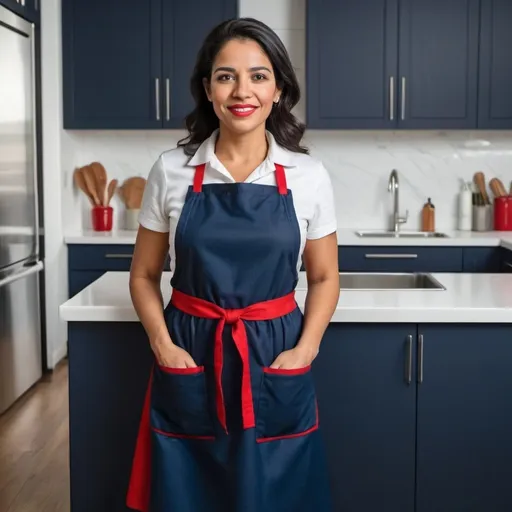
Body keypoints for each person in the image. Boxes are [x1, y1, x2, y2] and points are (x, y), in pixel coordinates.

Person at [126, 17, 340, 512]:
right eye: (226, 76)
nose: (242, 90)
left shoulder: (307, 175)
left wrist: (305, 350)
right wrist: (163, 345)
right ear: (207, 88)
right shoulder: (171, 170)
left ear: (279, 88)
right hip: (192, 348)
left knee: (276, 493)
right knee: (188, 491)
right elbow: (142, 275)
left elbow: (326, 277)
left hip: (274, 351)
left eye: (258, 75)